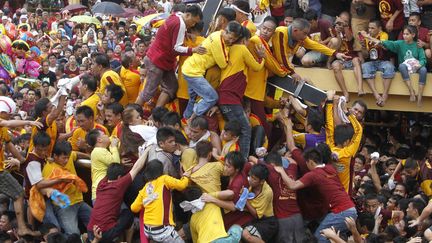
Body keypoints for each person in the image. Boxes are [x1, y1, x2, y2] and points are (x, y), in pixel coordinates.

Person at [274, 147, 357, 243]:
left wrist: (281, 171)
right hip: (351, 209)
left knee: (319, 238)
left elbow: (292, 185)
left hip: (341, 212)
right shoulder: (330, 168)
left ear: (310, 162)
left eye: (306, 162)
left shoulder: (313, 175)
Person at [136, 5, 204, 108]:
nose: (193, 24)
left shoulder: (176, 15)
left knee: (171, 86)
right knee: (148, 92)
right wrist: (193, 50)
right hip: (157, 61)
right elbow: (176, 48)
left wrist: (187, 34)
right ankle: (131, 114)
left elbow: (174, 34)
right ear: (188, 15)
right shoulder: (180, 24)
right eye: (193, 21)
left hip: (162, 60)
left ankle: (156, 114)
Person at [218, 25, 265, 159]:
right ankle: (242, 161)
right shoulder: (242, 48)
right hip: (230, 98)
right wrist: (262, 58)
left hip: (225, 97)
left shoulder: (230, 48)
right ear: (244, 39)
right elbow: (256, 67)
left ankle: (233, 158)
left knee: (236, 130)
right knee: (245, 128)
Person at [182, 21, 244, 121]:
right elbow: (223, 64)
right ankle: (191, 119)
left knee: (193, 99)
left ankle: (185, 119)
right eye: (230, 38)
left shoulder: (217, 34)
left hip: (190, 68)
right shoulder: (218, 41)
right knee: (212, 97)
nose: (231, 41)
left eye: (234, 40)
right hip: (193, 72)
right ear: (226, 31)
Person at [87, 148, 148, 242]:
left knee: (120, 214)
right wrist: (147, 150)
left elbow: (110, 173)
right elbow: (137, 167)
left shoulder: (101, 184)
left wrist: (119, 163)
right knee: (128, 214)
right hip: (106, 232)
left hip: (91, 231)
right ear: (119, 177)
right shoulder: (118, 185)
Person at [272, 18, 351, 82]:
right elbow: (281, 56)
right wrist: (292, 72)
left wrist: (335, 53)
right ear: (295, 31)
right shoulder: (281, 32)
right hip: (271, 66)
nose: (306, 36)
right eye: (305, 33)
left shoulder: (300, 37)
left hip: (279, 68)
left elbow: (316, 45)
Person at [130, 159, 190, 243]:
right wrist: (186, 176)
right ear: (161, 170)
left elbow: (133, 208)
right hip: (161, 230)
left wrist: (146, 202)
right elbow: (182, 185)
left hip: (147, 230)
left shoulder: (145, 187)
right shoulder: (164, 179)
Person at [42, 141, 92, 235]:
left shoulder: (68, 156)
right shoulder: (48, 169)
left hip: (79, 201)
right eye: (63, 158)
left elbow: (75, 154)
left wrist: (89, 156)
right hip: (64, 206)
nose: (66, 160)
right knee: (73, 234)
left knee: (97, 224)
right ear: (55, 156)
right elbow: (45, 190)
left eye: (67, 158)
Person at [326, 91, 363, 192]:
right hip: (343, 196)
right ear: (347, 141)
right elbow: (359, 130)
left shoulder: (328, 147)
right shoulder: (348, 153)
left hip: (328, 192)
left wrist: (330, 102)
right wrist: (345, 111)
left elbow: (330, 125)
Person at [381, 25, 427, 106]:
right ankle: (411, 91)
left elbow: (423, 59)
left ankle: (419, 96)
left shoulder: (418, 45)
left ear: (413, 35)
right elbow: (390, 43)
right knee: (401, 66)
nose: (404, 36)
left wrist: (420, 64)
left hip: (416, 67)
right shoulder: (400, 43)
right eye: (404, 34)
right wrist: (380, 41)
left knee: (424, 70)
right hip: (406, 68)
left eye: (407, 34)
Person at [359, 20, 395, 106]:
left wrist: (367, 37)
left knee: (389, 67)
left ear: (379, 29)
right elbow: (365, 55)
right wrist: (363, 46)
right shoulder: (368, 37)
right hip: (372, 62)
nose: (370, 30)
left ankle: (385, 95)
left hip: (383, 61)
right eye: (369, 28)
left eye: (372, 28)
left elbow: (381, 45)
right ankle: (376, 94)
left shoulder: (383, 35)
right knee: (364, 66)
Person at [86, 129, 120, 202]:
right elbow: (115, 164)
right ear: (99, 140)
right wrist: (114, 146)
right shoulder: (98, 151)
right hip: (102, 192)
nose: (107, 136)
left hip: (104, 190)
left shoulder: (101, 150)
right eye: (104, 134)